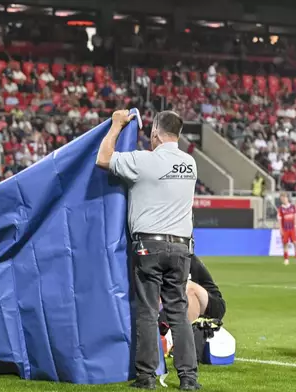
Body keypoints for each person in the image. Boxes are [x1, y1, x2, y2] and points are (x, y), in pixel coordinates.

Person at [96, 110, 200, 390]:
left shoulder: (144, 160)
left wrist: (117, 124)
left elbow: (103, 158)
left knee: (147, 312)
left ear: (154, 133)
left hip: (148, 247)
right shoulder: (190, 164)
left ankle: (146, 377)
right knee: (178, 312)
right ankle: (189, 379)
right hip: (181, 248)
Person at [277, 192, 296, 266]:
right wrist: (280, 229)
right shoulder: (280, 209)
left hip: (292, 228)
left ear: (287, 198)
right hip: (285, 228)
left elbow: (295, 216)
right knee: (285, 244)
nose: (283, 199)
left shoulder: (293, 207)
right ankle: (286, 259)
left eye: (284, 198)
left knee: (295, 243)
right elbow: (280, 220)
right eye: (281, 198)